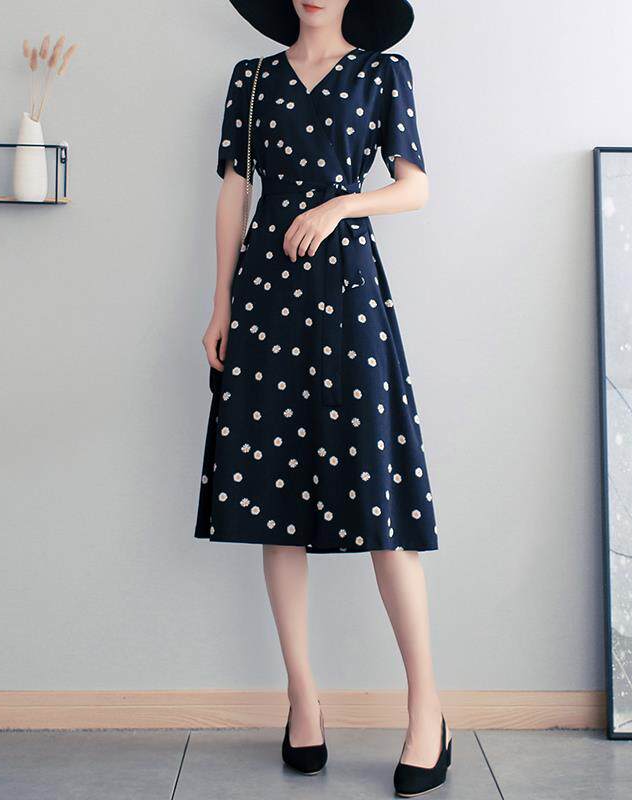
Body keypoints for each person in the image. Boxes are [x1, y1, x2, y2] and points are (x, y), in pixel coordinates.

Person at [195, 1, 450, 795]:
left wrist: (340, 204)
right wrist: (220, 304)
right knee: (273, 500)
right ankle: (302, 701)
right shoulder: (252, 79)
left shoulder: (382, 73)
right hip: (266, 295)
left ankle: (427, 712)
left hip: (348, 290)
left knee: (382, 501)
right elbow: (235, 193)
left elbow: (415, 188)